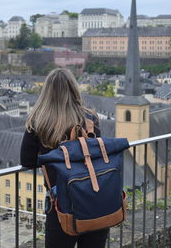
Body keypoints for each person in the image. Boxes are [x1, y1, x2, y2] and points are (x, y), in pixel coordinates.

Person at [20, 68, 109, 248]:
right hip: (94, 196)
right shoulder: (90, 119)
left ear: (47, 92)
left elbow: (27, 161)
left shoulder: (38, 122)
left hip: (61, 202)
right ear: (74, 89)